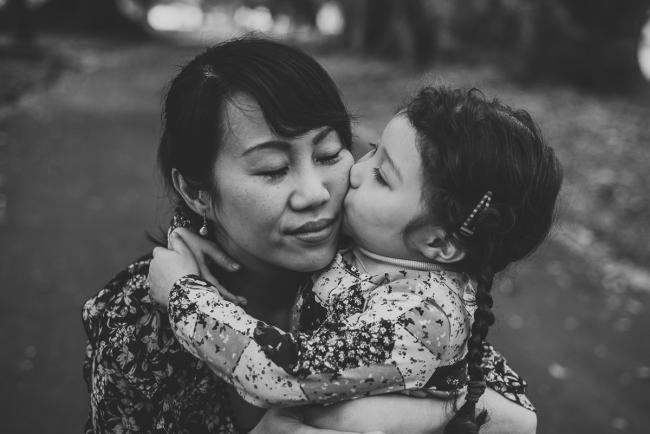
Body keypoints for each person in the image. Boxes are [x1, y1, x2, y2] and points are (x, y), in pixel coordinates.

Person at [83, 37, 540, 434]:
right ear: (196, 191)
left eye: (328, 153)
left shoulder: (384, 269)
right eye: (273, 169)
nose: (316, 193)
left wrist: (448, 410)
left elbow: (510, 411)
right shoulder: (137, 320)